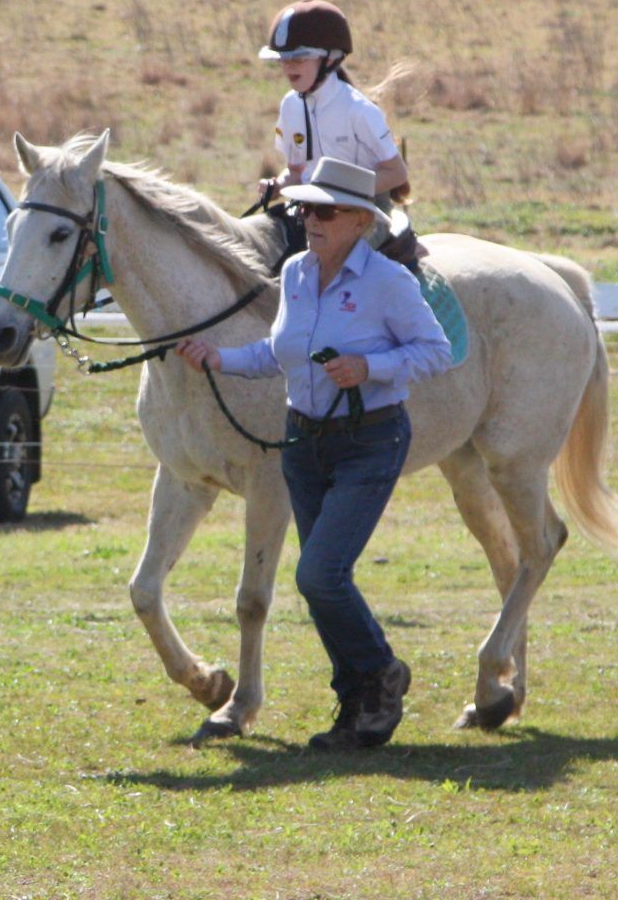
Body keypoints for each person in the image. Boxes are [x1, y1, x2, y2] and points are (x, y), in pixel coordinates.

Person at [176, 158, 452, 750]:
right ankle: (359, 704)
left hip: (369, 441)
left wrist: (369, 367)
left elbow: (436, 350)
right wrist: (220, 358)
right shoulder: (297, 273)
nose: (309, 219)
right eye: (303, 207)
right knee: (321, 581)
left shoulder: (387, 281)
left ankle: (381, 675)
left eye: (324, 210)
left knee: (319, 574)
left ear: (358, 220)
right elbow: (281, 354)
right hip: (304, 444)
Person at [257, 0, 410, 230]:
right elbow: (296, 172)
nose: (289, 67)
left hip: (365, 214)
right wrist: (277, 185)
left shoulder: (359, 111)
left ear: (329, 59)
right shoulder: (290, 106)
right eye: (283, 59)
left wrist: (342, 194)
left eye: (298, 58)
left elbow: (397, 173)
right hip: (310, 211)